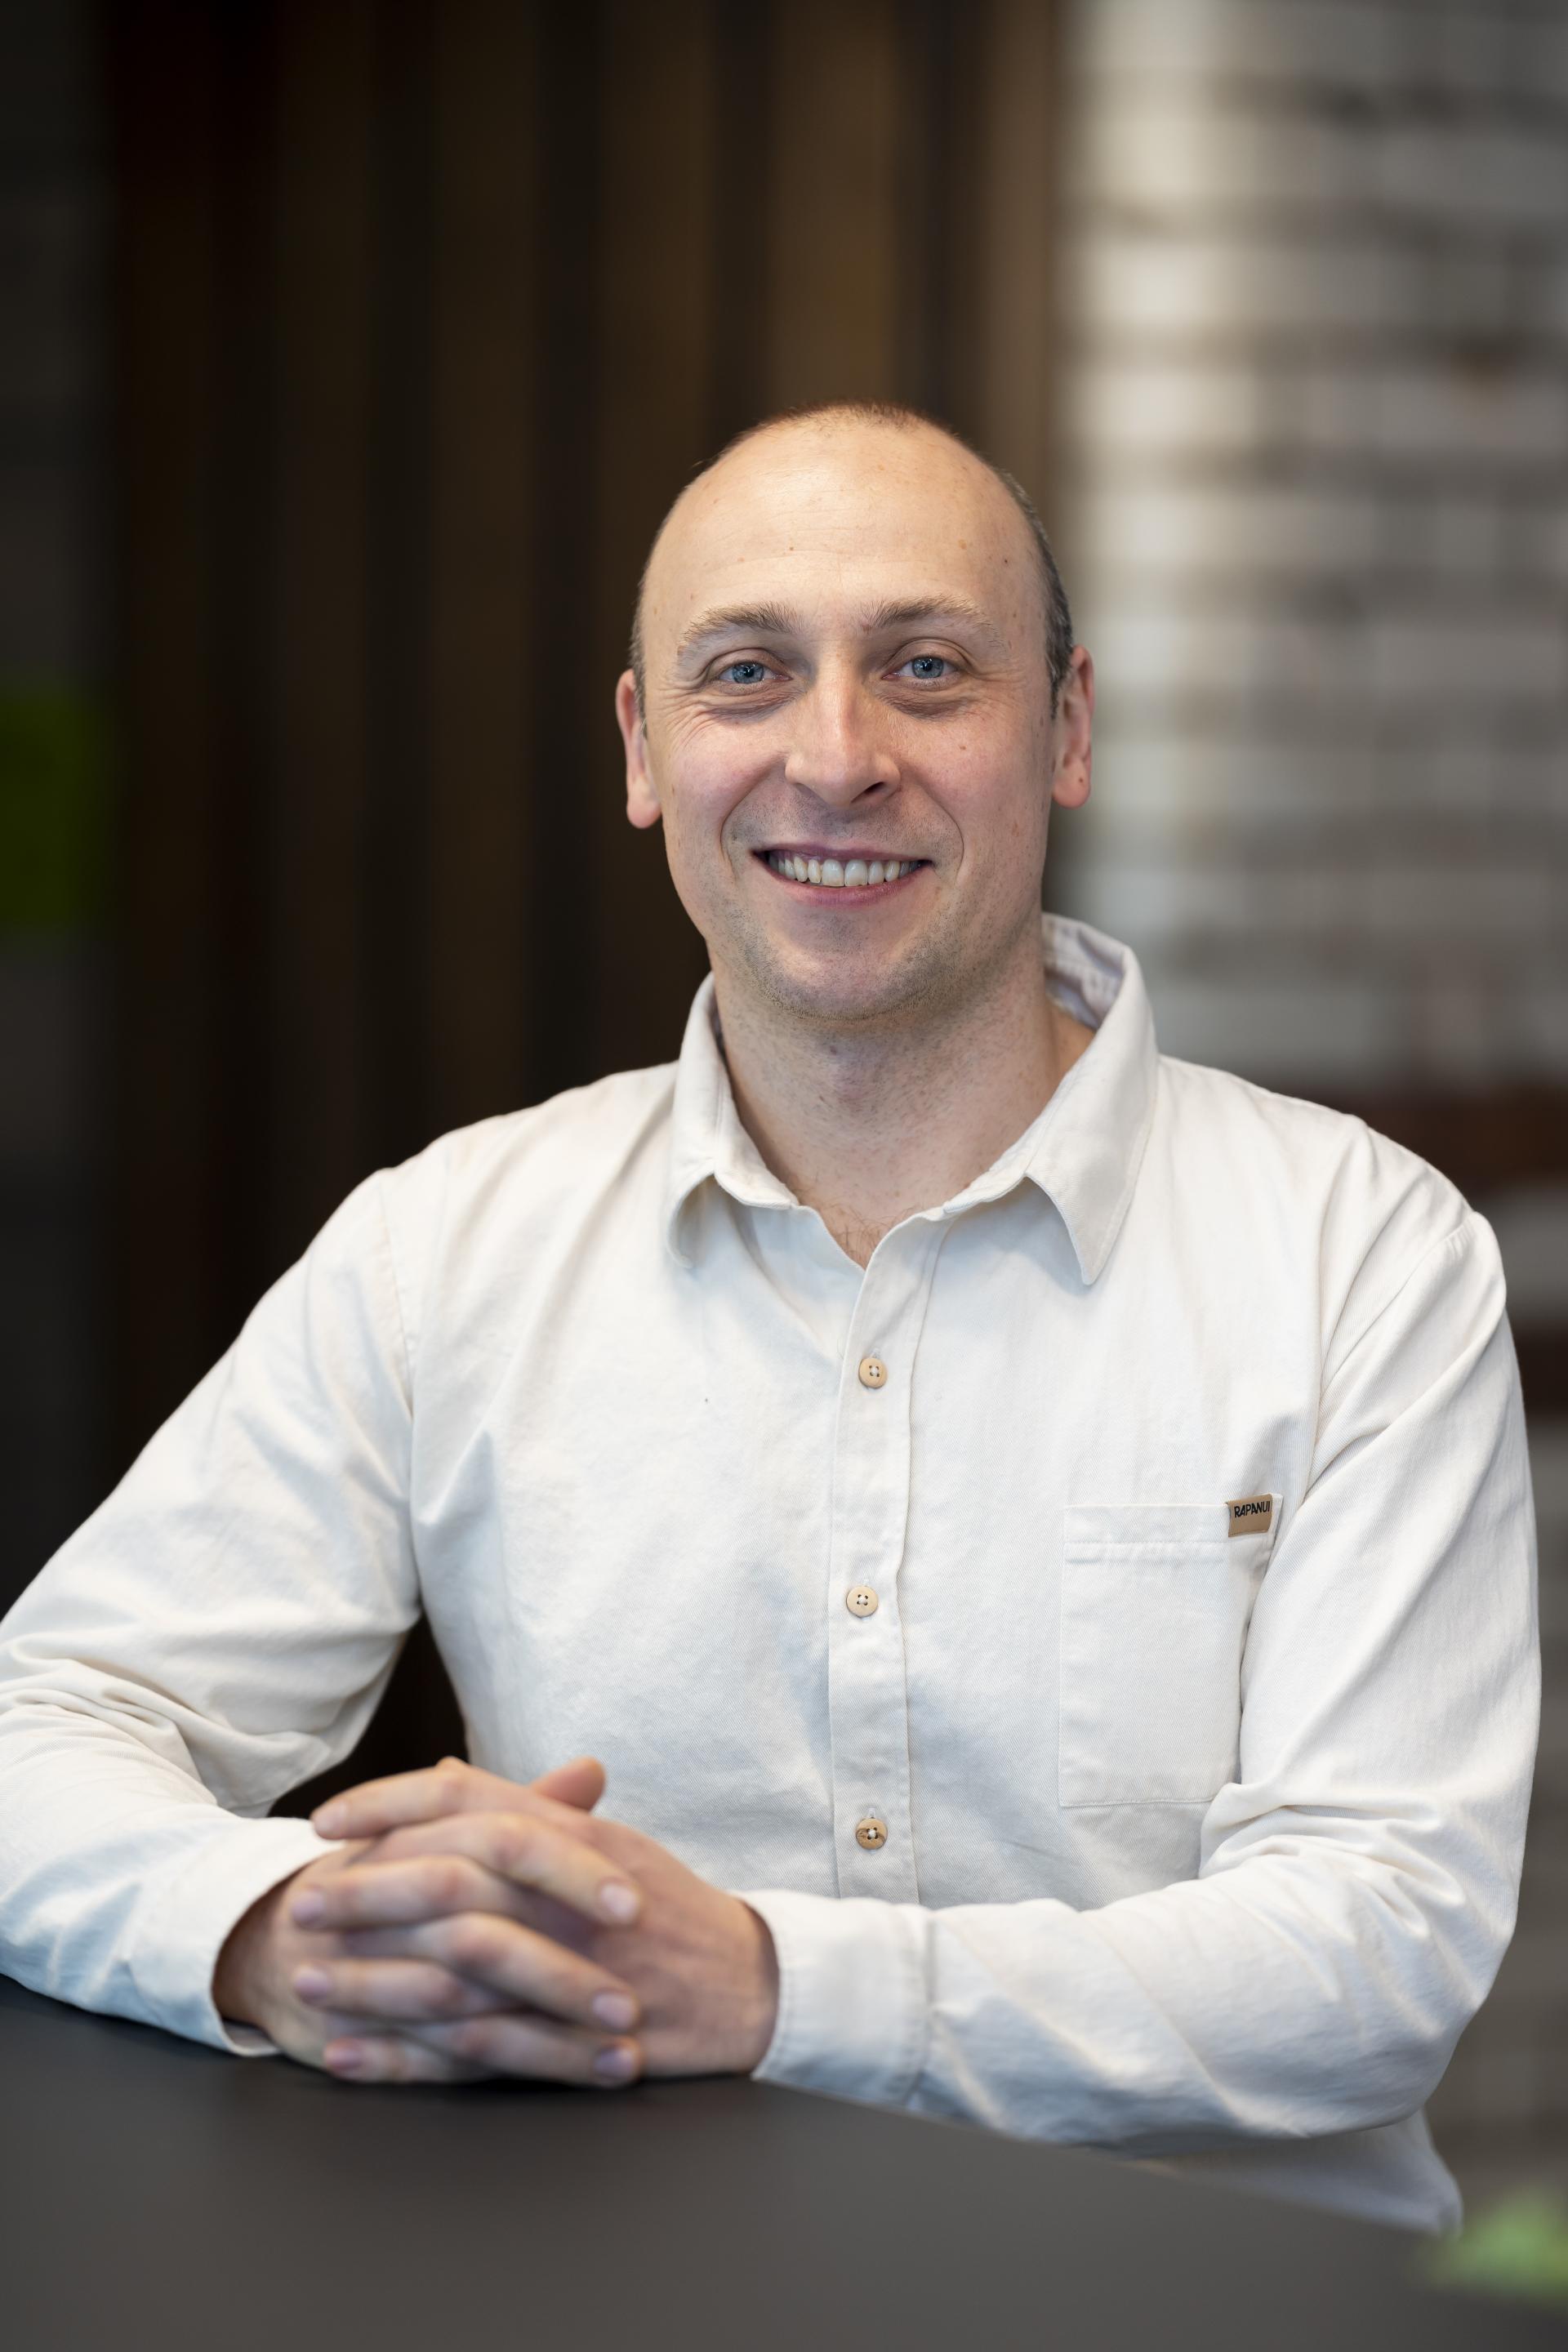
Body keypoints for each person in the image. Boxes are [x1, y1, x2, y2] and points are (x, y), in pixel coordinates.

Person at [0, 401, 1538, 2234]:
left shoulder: (1364, 1255)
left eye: (927, 669)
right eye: (748, 674)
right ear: (646, 751)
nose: (835, 756)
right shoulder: (445, 1248)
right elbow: (48, 1722)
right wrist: (268, 1931)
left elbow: (1377, 1952)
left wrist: (760, 1982)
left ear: (1066, 729)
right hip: (623, 2302)